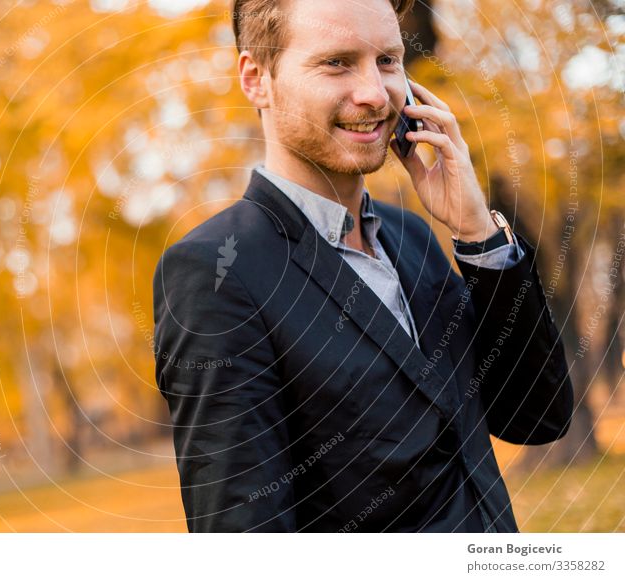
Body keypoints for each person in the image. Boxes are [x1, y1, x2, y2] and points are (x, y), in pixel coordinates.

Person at [152, 0, 573, 532]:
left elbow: (537, 417)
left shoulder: (414, 237)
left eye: (388, 61)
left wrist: (477, 234)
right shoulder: (214, 273)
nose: (375, 93)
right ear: (257, 79)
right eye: (337, 62)